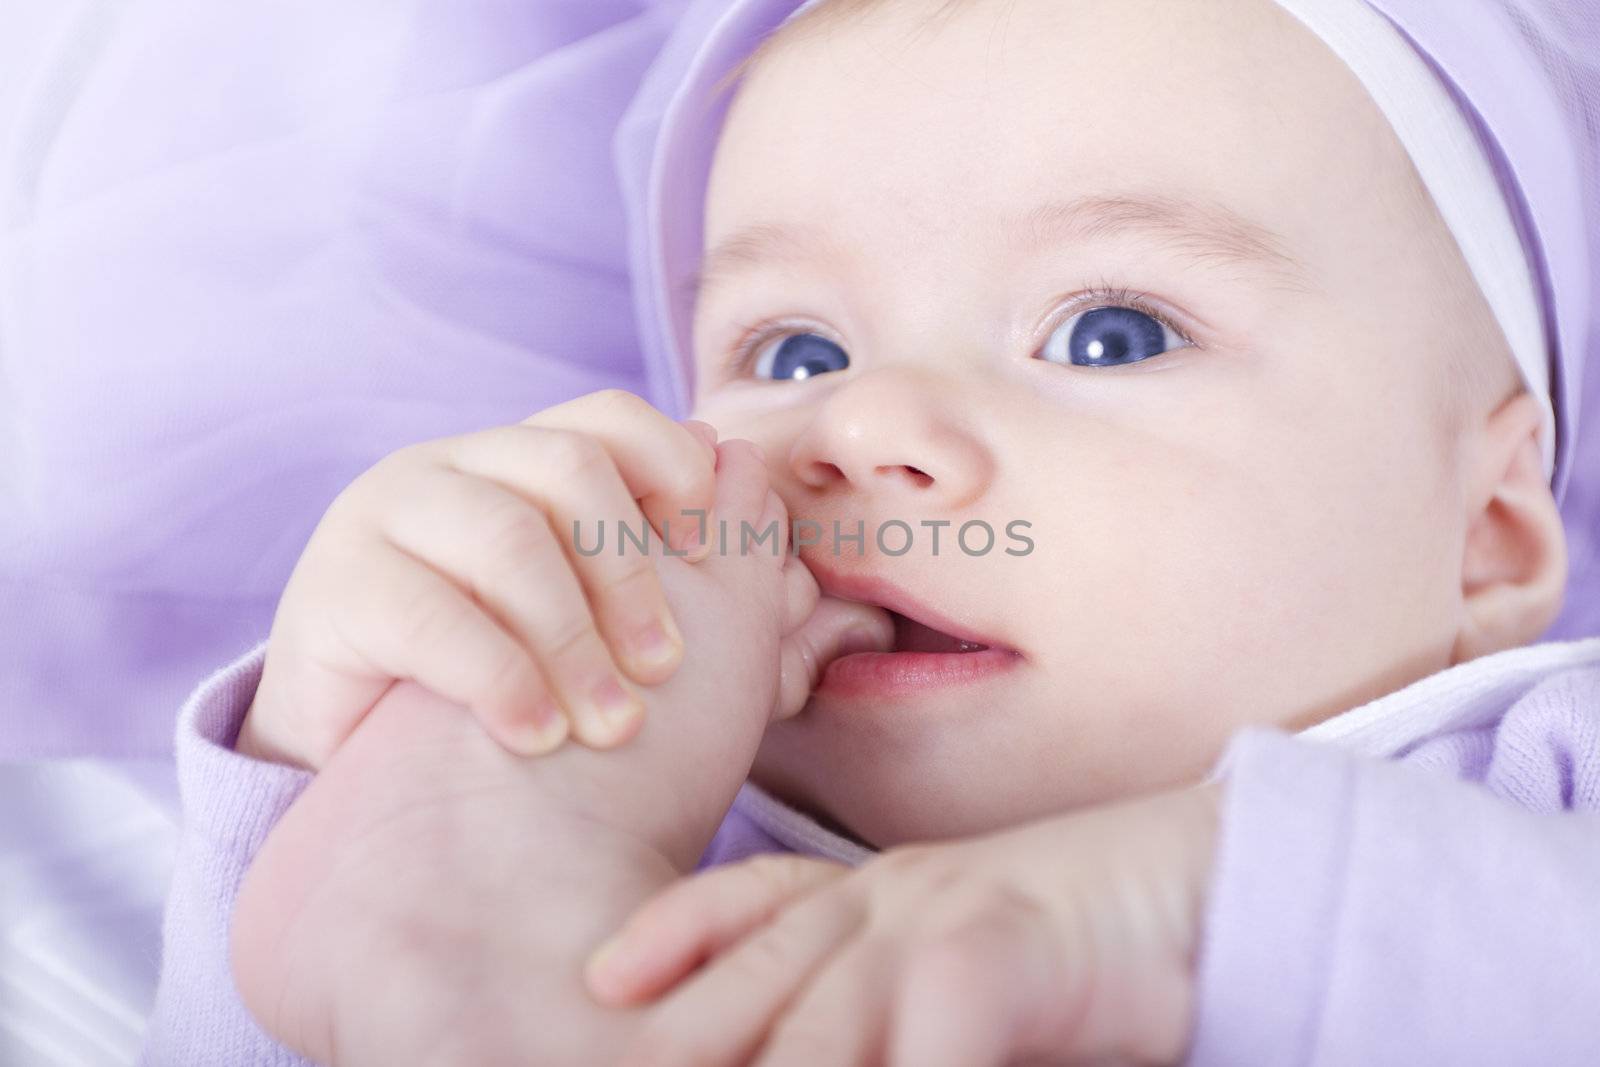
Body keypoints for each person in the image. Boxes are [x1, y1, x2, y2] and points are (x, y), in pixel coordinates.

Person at [142, 0, 1600, 1063]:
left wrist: (1196, 908)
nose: (859, 427)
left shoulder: (1541, 770)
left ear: (1488, 535)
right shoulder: (658, 842)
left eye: (1109, 332)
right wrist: (371, 785)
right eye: (793, 356)